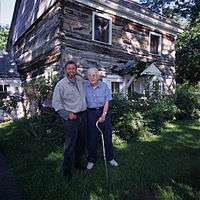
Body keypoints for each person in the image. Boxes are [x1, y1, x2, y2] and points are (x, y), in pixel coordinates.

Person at [52, 60, 87, 181]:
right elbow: (56, 103)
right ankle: (66, 170)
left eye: (73, 68)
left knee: (81, 142)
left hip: (83, 115)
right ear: (65, 70)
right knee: (70, 145)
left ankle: (77, 164)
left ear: (76, 70)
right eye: (69, 68)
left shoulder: (80, 80)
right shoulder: (61, 84)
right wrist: (67, 114)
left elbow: (91, 85)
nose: (71, 70)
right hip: (71, 118)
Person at [85, 67, 118, 170]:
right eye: (90, 75)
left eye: (94, 74)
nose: (92, 76)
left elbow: (107, 101)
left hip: (104, 111)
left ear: (98, 76)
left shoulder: (104, 86)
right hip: (90, 113)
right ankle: (91, 160)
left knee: (107, 136)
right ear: (87, 77)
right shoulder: (84, 87)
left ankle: (110, 158)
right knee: (92, 137)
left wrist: (104, 115)